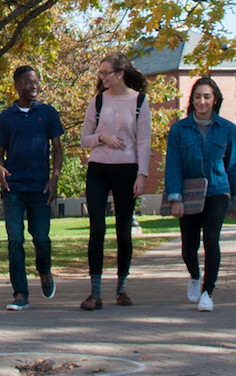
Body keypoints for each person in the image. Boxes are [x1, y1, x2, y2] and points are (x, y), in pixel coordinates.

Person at [79, 52, 152, 311]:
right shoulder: (97, 102)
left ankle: (121, 289)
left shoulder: (140, 102)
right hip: (98, 168)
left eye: (105, 72)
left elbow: (144, 141)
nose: (102, 77)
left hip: (127, 170)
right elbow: (84, 138)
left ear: (120, 74)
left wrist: (142, 174)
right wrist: (102, 137)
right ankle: (94, 293)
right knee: (97, 228)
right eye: (100, 73)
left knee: (123, 230)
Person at [164, 77, 236, 312]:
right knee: (189, 247)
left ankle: (208, 292)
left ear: (215, 99)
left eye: (207, 96)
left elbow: (234, 165)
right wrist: (175, 198)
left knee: (211, 239)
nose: (202, 101)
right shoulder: (179, 129)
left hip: (218, 190)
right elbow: (173, 165)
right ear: (192, 100)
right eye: (198, 96)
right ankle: (195, 275)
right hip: (189, 192)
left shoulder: (228, 129)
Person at [0, 65, 65, 311]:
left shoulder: (48, 113)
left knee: (42, 239)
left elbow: (57, 149)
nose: (33, 86)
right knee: (15, 239)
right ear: (16, 85)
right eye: (27, 82)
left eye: (36, 82)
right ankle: (20, 293)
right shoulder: (5, 118)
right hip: (13, 188)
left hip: (40, 188)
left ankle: (44, 271)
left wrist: (54, 177)